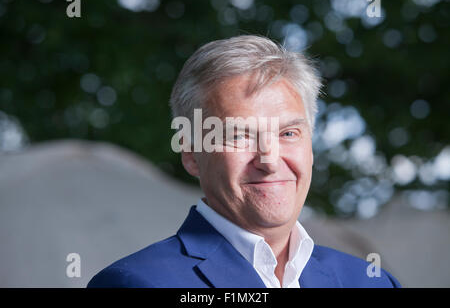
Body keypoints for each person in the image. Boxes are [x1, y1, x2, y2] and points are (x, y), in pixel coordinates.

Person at [87, 35, 401, 288]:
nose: (270, 159)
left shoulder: (370, 282)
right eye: (239, 136)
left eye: (288, 133)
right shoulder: (134, 283)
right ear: (191, 155)